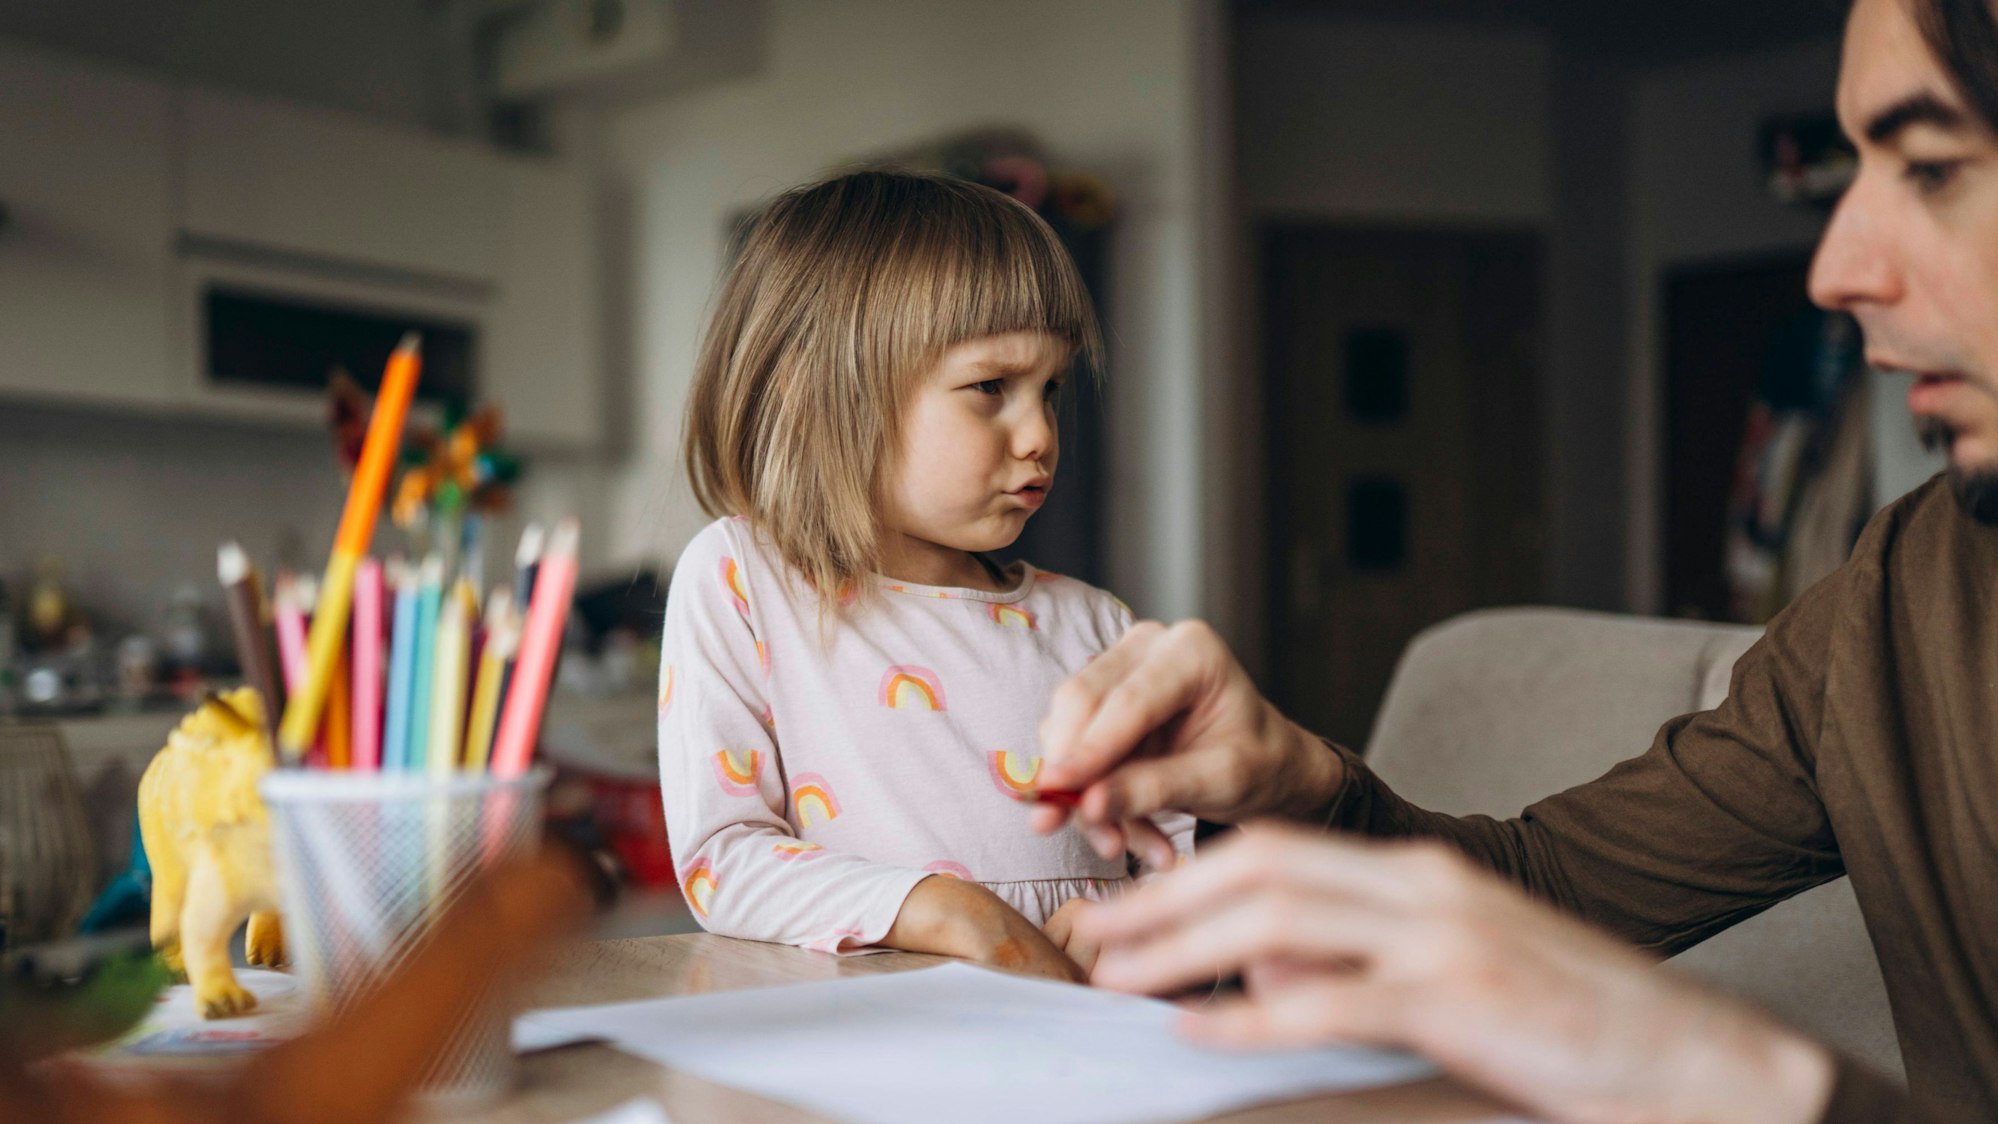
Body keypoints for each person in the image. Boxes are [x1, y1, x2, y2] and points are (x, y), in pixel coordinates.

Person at [1030, 0, 1998, 1119]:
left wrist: (1740, 1075)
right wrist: (1306, 783)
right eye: (1853, 175)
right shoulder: (1897, 597)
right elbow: (1554, 887)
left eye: (1929, 165)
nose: (1836, 268)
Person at [658, 170, 1190, 982]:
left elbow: (1187, 855)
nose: (1040, 434)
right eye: (991, 389)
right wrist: (955, 912)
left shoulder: (1098, 626)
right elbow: (723, 859)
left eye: (1050, 388)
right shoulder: (741, 581)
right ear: (821, 392)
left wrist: (1154, 932)